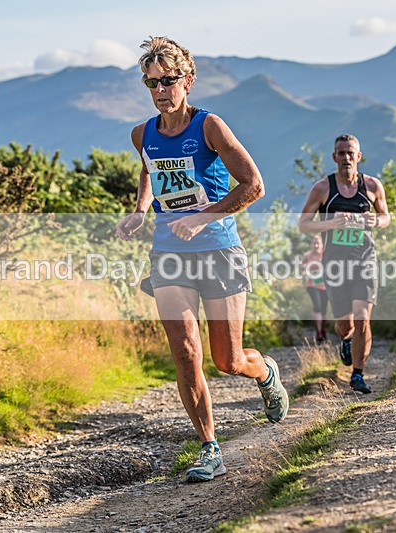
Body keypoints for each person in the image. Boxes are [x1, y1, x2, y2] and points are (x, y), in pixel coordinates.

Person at [115, 36, 289, 482]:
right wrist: (139, 210)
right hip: (170, 253)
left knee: (226, 360)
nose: (160, 90)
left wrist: (202, 216)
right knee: (186, 353)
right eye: (151, 82)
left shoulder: (210, 126)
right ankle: (210, 447)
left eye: (168, 80)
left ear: (187, 80)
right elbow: (150, 169)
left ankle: (265, 371)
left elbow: (254, 185)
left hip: (218, 249)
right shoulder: (142, 134)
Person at [298, 134, 390, 394]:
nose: (346, 158)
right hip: (335, 265)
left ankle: (357, 375)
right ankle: (346, 340)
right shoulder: (322, 188)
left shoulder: (372, 186)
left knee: (362, 319)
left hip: (365, 261)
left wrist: (377, 222)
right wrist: (331, 223)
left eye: (351, 153)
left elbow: (386, 216)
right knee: (345, 325)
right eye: (341, 153)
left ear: (359, 157)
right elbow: (303, 224)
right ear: (334, 157)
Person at [303, 234, 328, 342]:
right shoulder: (308, 255)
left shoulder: (326, 254)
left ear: (321, 244)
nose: (316, 245)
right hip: (312, 285)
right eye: (314, 243)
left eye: (318, 243)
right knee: (317, 307)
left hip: (325, 286)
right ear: (311, 244)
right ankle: (318, 333)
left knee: (324, 310)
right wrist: (304, 267)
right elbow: (302, 266)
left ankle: (323, 330)